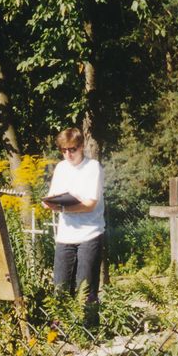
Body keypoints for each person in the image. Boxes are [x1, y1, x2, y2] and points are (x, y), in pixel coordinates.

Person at [41, 127, 105, 312]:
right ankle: (62, 331)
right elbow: (52, 196)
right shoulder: (61, 168)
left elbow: (90, 204)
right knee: (60, 288)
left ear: (82, 147)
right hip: (65, 236)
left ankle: (89, 332)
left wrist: (62, 207)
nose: (68, 154)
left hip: (89, 233)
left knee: (85, 289)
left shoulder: (92, 167)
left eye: (72, 149)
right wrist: (49, 203)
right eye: (63, 150)